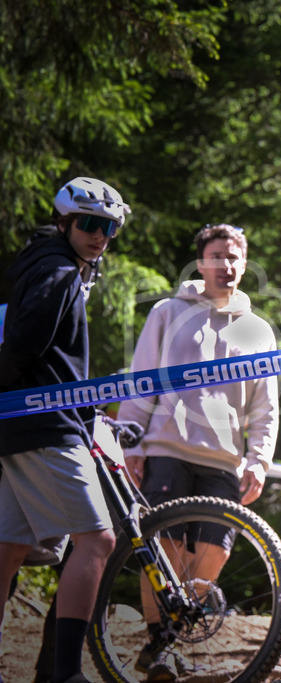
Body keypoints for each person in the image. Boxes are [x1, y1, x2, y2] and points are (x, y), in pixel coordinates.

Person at [116, 223, 279, 681]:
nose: (225, 265)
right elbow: (141, 377)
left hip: (225, 460)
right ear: (200, 261)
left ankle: (173, 634)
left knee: (214, 552)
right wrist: (130, 441)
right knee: (162, 549)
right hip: (166, 448)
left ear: (244, 264)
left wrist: (259, 459)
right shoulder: (169, 312)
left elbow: (266, 405)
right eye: (216, 255)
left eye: (233, 257)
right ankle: (161, 647)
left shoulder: (258, 331)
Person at [0, 177, 130, 683]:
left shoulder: (50, 264)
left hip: (24, 425)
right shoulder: (58, 271)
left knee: (7, 551)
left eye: (109, 228)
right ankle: (66, 673)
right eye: (90, 225)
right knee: (97, 542)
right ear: (65, 223)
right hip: (45, 427)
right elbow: (25, 344)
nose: (99, 235)